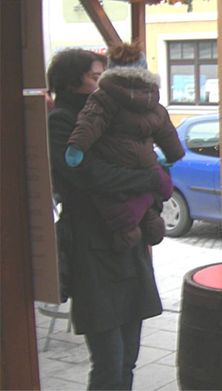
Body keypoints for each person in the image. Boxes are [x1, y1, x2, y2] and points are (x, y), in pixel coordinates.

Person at [47, 48, 172, 389]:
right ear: (73, 82)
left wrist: (152, 192)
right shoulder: (62, 120)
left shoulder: (118, 115)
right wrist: (149, 180)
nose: (105, 82)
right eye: (95, 76)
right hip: (92, 249)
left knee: (129, 358)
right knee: (108, 362)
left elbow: (143, 154)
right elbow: (87, 176)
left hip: (128, 247)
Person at [65, 42, 184, 252]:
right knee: (144, 200)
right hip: (146, 166)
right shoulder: (153, 101)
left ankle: (126, 233)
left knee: (117, 206)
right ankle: (152, 223)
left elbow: (91, 122)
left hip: (117, 161)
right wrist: (173, 155)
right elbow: (166, 131)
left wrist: (77, 147)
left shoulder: (103, 97)